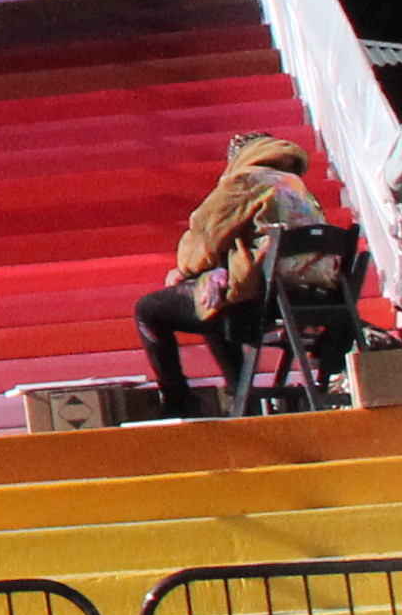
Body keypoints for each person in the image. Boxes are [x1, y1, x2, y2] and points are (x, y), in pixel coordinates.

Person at [138, 130, 324, 417]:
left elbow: (204, 237)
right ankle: (241, 393)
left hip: (262, 303)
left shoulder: (246, 180)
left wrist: (183, 269)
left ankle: (179, 401)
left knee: (149, 309)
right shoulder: (295, 185)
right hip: (310, 299)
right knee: (210, 296)